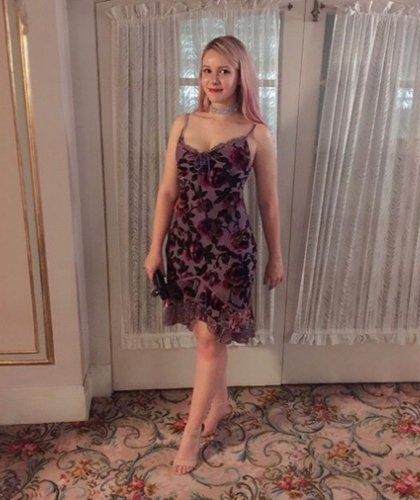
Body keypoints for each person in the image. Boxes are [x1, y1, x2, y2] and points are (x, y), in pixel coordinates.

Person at [144, 35, 283, 475]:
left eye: (224, 70)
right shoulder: (182, 123)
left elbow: (268, 203)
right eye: (207, 70)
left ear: (241, 76)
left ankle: (190, 435)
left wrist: (277, 257)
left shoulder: (256, 133)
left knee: (210, 339)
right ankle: (219, 402)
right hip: (185, 246)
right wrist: (154, 249)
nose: (214, 79)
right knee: (203, 335)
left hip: (230, 251)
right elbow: (167, 192)